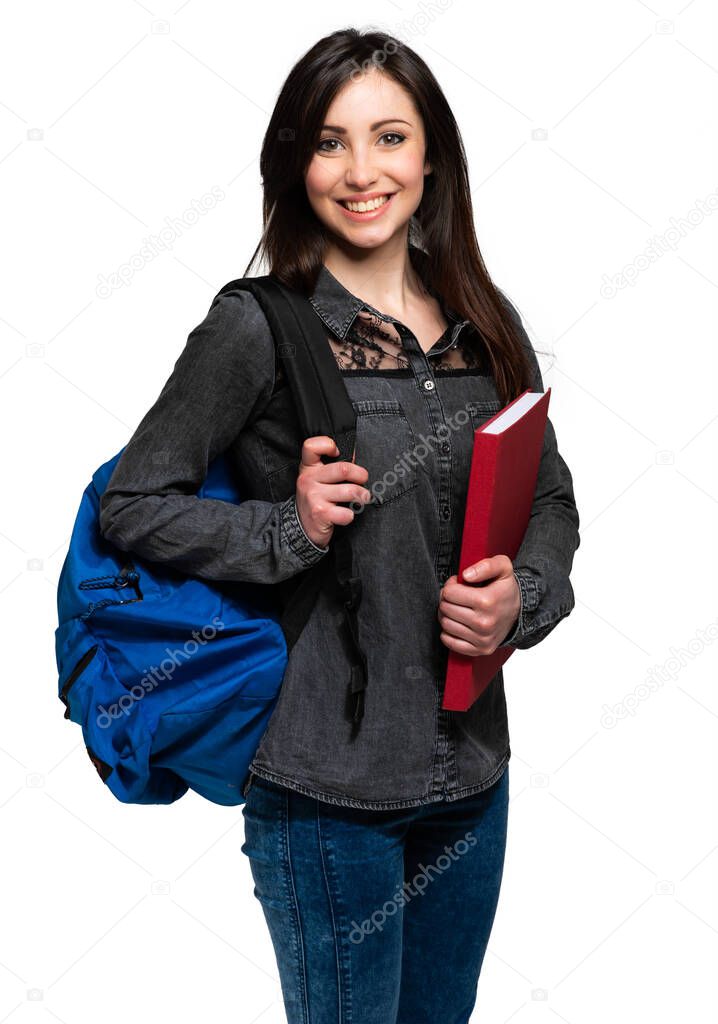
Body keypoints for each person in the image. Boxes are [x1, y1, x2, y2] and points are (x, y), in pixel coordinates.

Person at [99, 26, 580, 1024]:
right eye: (328, 142)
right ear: (296, 162)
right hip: (326, 795)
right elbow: (132, 504)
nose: (361, 171)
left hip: (470, 779)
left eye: (388, 137)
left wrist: (521, 600)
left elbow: (547, 498)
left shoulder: (484, 320)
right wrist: (291, 526)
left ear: (430, 154)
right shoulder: (255, 324)